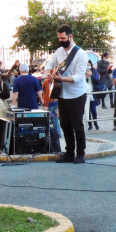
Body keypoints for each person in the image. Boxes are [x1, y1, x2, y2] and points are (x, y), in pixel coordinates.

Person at [44, 24, 88, 164]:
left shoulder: (81, 54)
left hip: (77, 94)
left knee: (77, 125)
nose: (61, 41)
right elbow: (50, 64)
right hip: (62, 93)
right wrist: (48, 73)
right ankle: (69, 152)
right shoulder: (59, 51)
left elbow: (80, 77)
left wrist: (61, 78)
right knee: (64, 125)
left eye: (63, 38)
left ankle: (80, 154)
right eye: (59, 38)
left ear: (70, 36)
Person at [86, 60, 100, 131]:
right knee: (87, 111)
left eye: (89, 64)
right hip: (85, 93)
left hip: (92, 93)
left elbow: (97, 81)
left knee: (93, 110)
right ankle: (90, 125)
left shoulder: (94, 71)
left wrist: (91, 75)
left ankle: (96, 124)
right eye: (87, 64)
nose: (88, 66)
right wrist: (86, 76)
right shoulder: (82, 71)